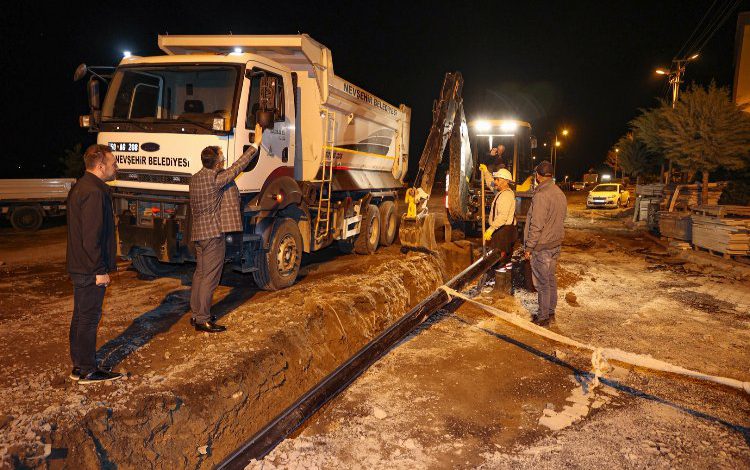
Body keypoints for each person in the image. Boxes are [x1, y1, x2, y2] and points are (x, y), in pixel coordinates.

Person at [189, 124, 263, 332]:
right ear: (217, 163)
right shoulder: (215, 179)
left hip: (199, 233)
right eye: (222, 158)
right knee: (210, 278)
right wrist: (255, 144)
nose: (224, 161)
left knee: (200, 274)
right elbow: (239, 166)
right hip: (213, 234)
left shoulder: (195, 179)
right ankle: (203, 318)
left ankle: (196, 315)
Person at [66, 144, 123, 384]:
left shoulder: (83, 186)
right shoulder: (94, 192)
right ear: (100, 166)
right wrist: (99, 271)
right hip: (89, 268)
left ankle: (80, 366)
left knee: (81, 317)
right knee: (88, 318)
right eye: (112, 164)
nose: (116, 167)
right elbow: (91, 236)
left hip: (80, 265)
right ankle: (88, 370)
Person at [523, 161, 567, 326]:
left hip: (542, 247)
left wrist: (529, 247)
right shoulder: (559, 193)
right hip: (555, 244)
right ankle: (550, 312)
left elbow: (536, 225)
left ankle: (543, 318)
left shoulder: (542, 195)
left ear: (538, 176)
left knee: (542, 283)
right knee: (550, 280)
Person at [483, 168, 517, 293]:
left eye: (497, 179)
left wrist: (491, 229)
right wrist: (486, 172)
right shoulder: (502, 192)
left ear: (504, 181)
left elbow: (502, 217)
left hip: (503, 230)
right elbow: (490, 183)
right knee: (507, 259)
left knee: (500, 258)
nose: (495, 182)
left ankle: (499, 289)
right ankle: (507, 288)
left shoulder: (506, 196)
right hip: (506, 230)